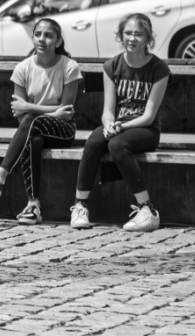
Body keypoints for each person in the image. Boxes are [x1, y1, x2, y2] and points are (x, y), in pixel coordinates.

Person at [0, 16, 82, 223]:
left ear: (58, 41)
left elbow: (66, 110)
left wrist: (32, 108)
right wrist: (52, 112)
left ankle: (0, 175)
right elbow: (20, 114)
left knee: (32, 119)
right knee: (34, 140)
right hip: (33, 129)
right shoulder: (22, 68)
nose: (42, 39)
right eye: (38, 34)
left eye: (48, 36)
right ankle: (33, 206)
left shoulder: (69, 66)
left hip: (63, 130)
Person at [72, 12, 169, 232]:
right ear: (120, 35)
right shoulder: (112, 65)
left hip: (145, 129)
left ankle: (148, 210)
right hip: (117, 125)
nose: (132, 38)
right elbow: (108, 110)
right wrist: (108, 124)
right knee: (94, 140)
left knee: (117, 145)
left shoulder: (159, 69)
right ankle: (80, 206)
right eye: (128, 33)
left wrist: (120, 127)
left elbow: (149, 116)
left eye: (138, 34)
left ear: (148, 38)